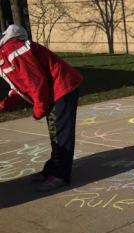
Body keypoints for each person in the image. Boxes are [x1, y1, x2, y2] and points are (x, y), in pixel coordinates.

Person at [0, 25, 83, 191]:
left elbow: (36, 81)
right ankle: (52, 169)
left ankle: (61, 176)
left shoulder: (12, 49)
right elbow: (19, 85)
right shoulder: (4, 54)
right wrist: (4, 104)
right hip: (53, 91)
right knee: (56, 132)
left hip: (62, 87)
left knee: (61, 133)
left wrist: (39, 108)